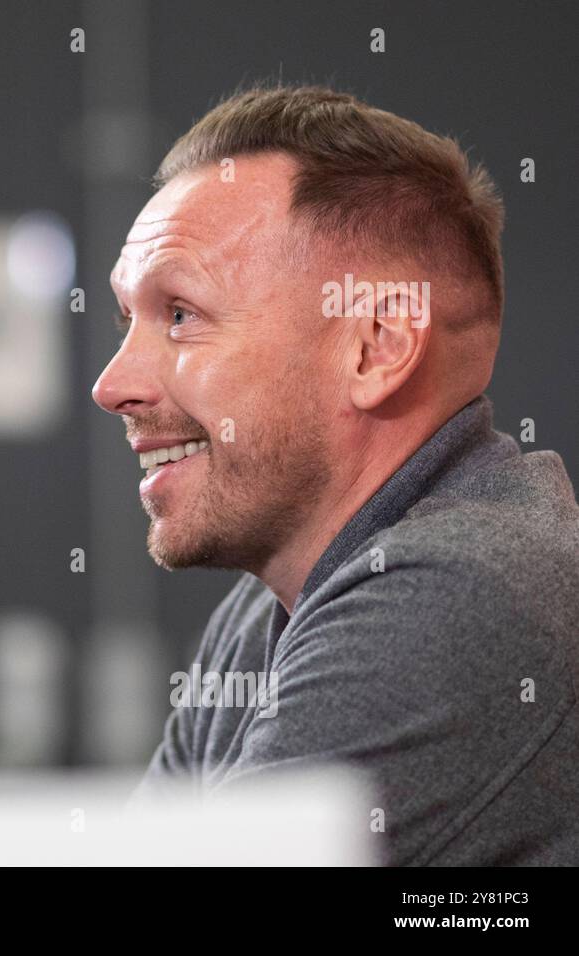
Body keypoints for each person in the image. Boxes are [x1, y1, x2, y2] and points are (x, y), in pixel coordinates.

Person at [93, 84, 579, 865]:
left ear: (377, 344)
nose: (113, 384)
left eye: (181, 314)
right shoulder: (261, 615)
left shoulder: (465, 589)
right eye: (130, 321)